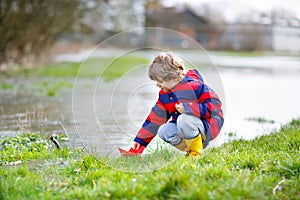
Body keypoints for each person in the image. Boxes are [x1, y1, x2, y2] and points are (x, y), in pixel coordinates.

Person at [130, 53, 224, 158]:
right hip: (186, 126)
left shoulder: (195, 86)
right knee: (164, 131)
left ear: (174, 77)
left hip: (208, 126)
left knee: (184, 119)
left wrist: (189, 108)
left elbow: (215, 107)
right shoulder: (165, 94)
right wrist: (140, 143)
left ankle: (196, 154)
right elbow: (154, 120)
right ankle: (192, 150)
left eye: (160, 81)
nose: (157, 84)